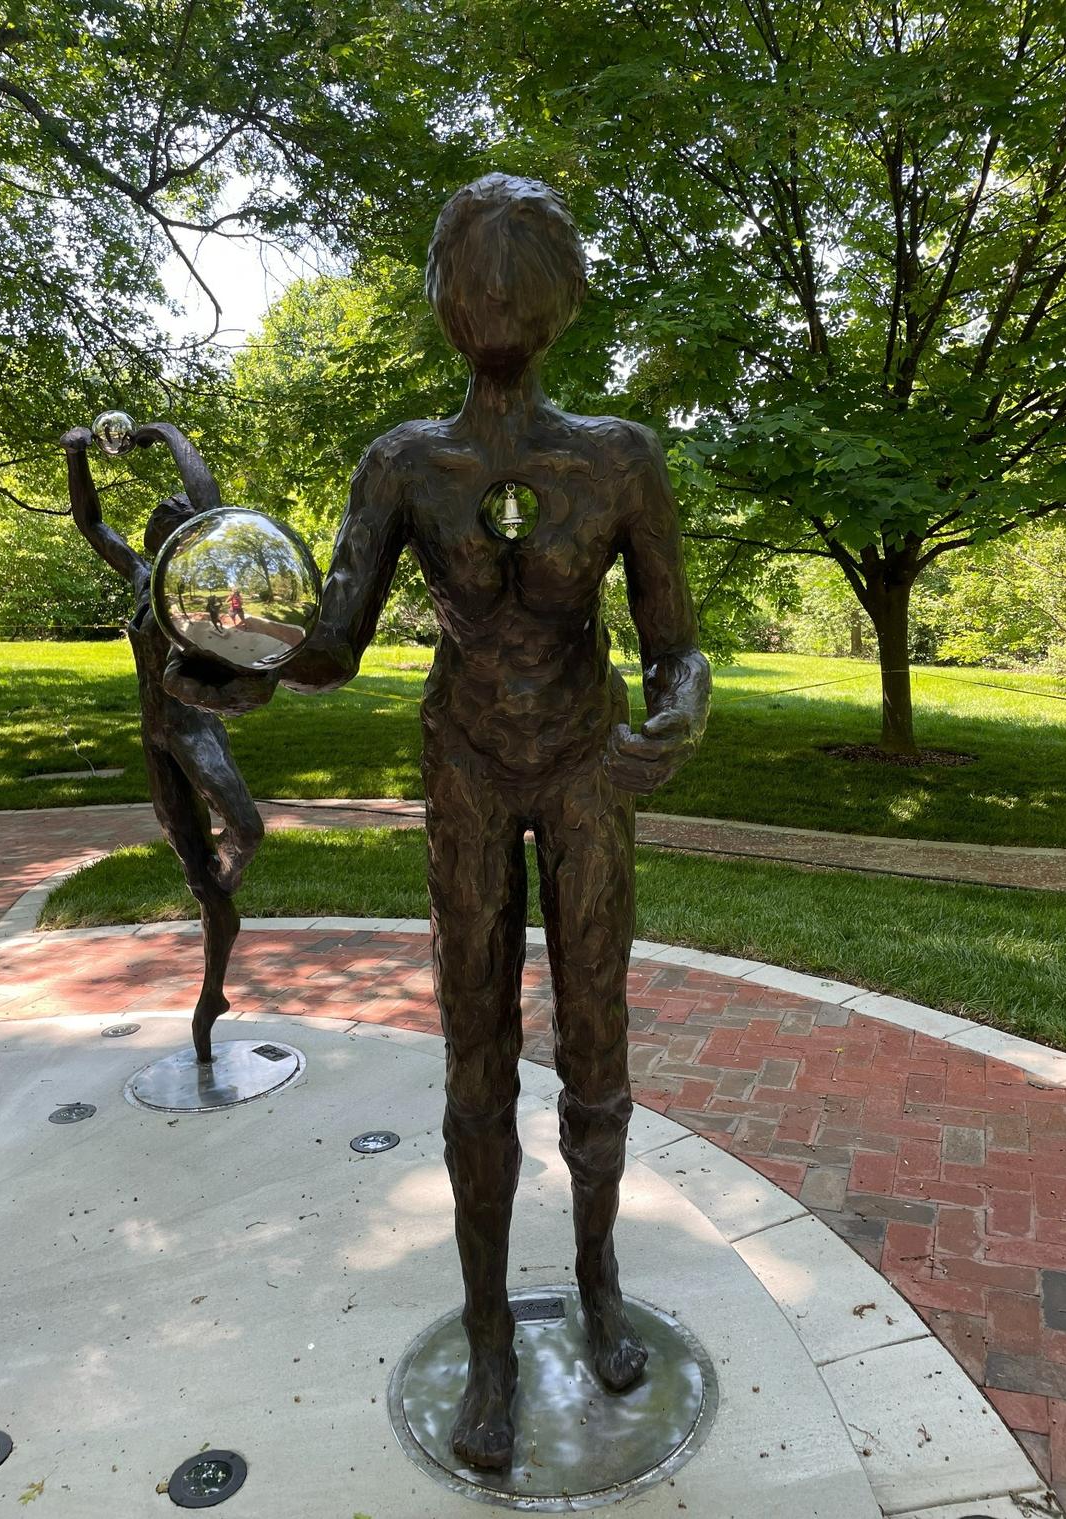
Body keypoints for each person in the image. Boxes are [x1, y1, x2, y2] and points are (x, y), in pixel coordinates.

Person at [167, 174, 710, 1469]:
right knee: (477, 1048)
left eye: (518, 270)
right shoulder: (404, 463)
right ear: (441, 301)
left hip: (584, 765)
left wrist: (687, 707)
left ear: (564, 296)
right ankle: (484, 1329)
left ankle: (594, 1276)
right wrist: (237, 650)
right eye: (472, 270)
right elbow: (337, 642)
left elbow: (675, 641)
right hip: (465, 761)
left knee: (597, 1033)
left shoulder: (620, 458)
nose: (495, 292)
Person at [60, 421, 264, 1064]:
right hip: (157, 741)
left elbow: (204, 501)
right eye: (165, 516)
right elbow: (91, 524)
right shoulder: (142, 576)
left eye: (183, 519)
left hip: (194, 729)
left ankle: (222, 907)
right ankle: (211, 997)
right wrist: (77, 456)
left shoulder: (194, 590)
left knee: (247, 831)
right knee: (197, 877)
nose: (174, 516)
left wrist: (165, 432)